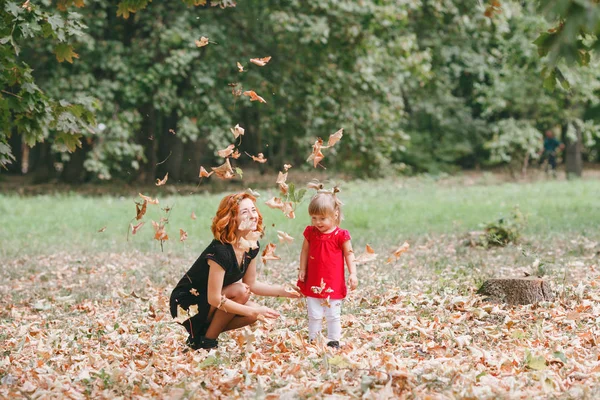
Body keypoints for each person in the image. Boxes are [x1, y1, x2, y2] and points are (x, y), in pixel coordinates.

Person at [170, 192, 301, 350]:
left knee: (250, 310)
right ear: (232, 219)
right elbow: (214, 299)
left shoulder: (251, 244)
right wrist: (253, 311)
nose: (253, 216)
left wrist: (286, 291)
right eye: (245, 212)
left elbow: (252, 284)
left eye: (253, 210)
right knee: (241, 293)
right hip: (186, 303)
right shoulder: (221, 251)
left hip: (207, 302)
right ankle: (207, 342)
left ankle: (200, 337)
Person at [297, 191, 358, 348]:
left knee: (333, 315)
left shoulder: (340, 235)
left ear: (335, 214)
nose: (317, 222)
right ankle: (314, 339)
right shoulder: (310, 233)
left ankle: (333, 340)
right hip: (314, 279)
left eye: (322, 218)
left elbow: (349, 254)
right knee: (314, 314)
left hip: (333, 281)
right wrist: (302, 269)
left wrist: (353, 273)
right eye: (314, 218)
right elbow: (304, 251)